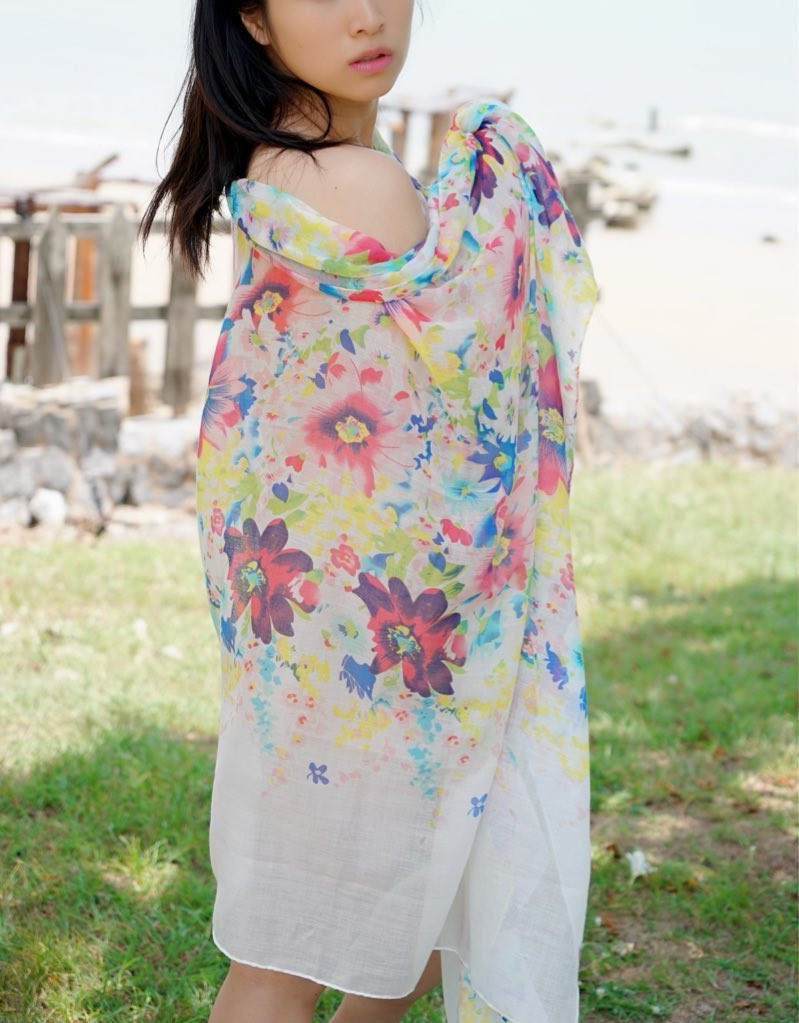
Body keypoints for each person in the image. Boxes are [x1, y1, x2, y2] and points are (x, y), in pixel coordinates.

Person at [139, 2, 599, 1022]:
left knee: (401, 924)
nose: (366, 15)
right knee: (313, 948)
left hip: (316, 606)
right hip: (382, 624)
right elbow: (463, 383)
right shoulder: (359, 180)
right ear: (253, 18)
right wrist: (501, 173)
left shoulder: (278, 165)